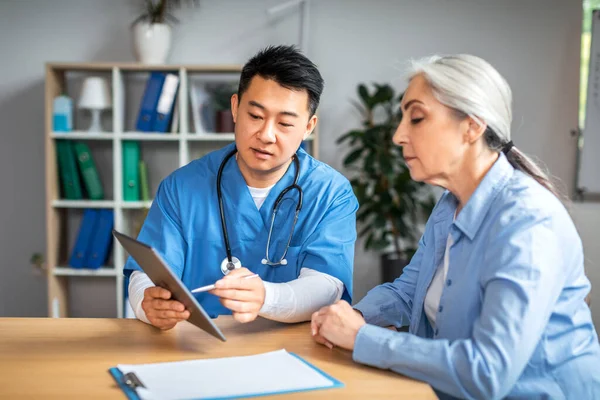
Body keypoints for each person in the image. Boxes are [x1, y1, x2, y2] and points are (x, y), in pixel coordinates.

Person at [310, 54, 600, 399]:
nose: (398, 135)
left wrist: (361, 337)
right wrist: (351, 316)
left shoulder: (529, 222)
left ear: (472, 127)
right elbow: (408, 292)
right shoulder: (450, 206)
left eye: (416, 118)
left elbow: (487, 371)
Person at [125, 45, 358, 330]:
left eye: (285, 123)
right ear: (235, 108)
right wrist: (146, 303)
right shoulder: (181, 188)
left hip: (291, 348)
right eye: (256, 116)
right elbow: (147, 273)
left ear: (309, 127)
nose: (266, 135)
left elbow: (327, 285)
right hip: (196, 344)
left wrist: (266, 298)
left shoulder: (330, 193)